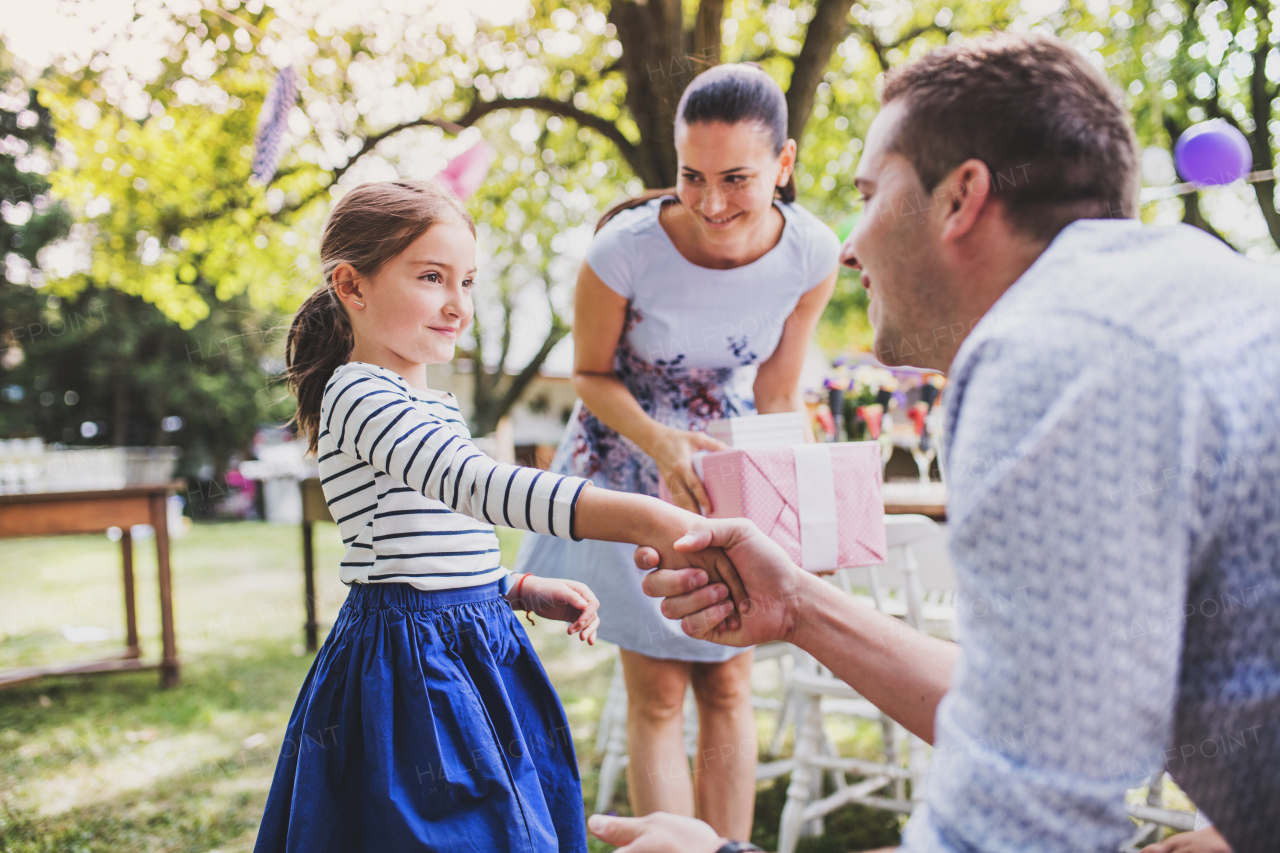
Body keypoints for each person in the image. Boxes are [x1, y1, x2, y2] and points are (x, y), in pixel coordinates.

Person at [633, 32, 1279, 853]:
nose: (850, 244)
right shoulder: (1185, 294)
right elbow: (1031, 719)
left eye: (870, 193)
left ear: (962, 196)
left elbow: (1018, 828)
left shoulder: (1052, 352)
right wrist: (797, 604)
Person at [253, 179, 749, 853]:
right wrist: (646, 518)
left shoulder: (434, 406)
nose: (457, 304)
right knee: (453, 830)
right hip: (410, 668)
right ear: (352, 285)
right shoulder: (357, 391)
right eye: (431, 277)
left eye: (467, 281)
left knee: (513, 821)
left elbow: (434, 538)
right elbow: (474, 485)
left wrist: (511, 588)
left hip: (473, 647)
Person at [513, 63, 839, 837]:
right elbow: (589, 375)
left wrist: (800, 510)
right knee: (657, 693)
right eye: (692, 176)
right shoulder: (623, 250)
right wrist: (661, 445)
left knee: (729, 687)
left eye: (737, 178)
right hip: (630, 462)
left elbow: (777, 392)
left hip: (725, 459)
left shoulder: (813, 253)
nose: (712, 202)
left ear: (783, 164)